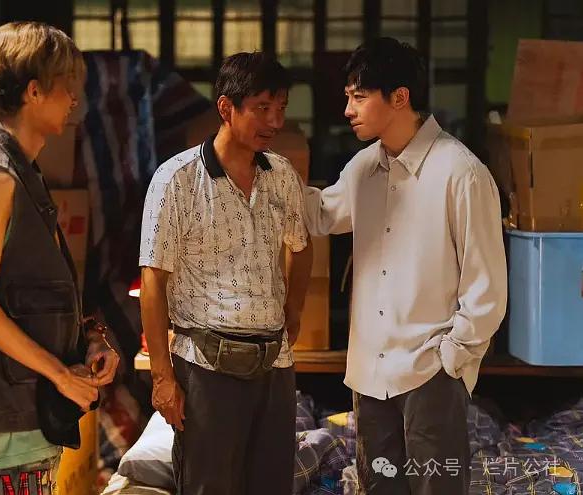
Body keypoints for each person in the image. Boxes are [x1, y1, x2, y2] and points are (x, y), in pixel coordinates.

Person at [304, 37, 507, 494]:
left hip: (430, 372)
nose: (348, 110)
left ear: (400, 97)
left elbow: (487, 288)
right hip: (370, 373)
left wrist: (451, 360)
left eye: (359, 97)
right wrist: (261, 172)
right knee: (379, 487)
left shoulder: (461, 173)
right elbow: (320, 215)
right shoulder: (364, 167)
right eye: (348, 97)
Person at [0, 22, 119, 494]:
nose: (73, 99)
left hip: (29, 400)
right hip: (12, 402)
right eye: (66, 86)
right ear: (34, 92)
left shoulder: (22, 171)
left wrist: (88, 341)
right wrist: (60, 375)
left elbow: (32, 292)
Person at [139, 52, 313, 495]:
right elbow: (153, 279)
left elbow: (301, 245)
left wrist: (294, 311)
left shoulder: (282, 175)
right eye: (262, 108)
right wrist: (162, 377)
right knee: (210, 486)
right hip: (205, 366)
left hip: (274, 364)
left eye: (281, 108)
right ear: (225, 108)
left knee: (271, 485)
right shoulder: (176, 179)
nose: (275, 121)